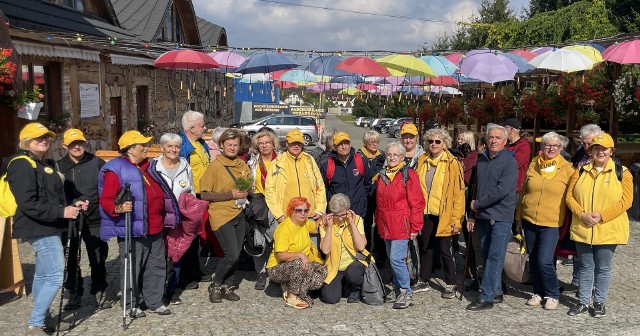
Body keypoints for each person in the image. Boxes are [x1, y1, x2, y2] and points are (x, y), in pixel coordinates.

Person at [8, 123, 89, 333]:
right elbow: (28, 203)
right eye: (38, 138)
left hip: (48, 225)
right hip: (38, 227)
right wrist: (62, 212)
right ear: (26, 141)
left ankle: (43, 319)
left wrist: (72, 205)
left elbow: (51, 197)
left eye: (46, 138)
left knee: (43, 276)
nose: (44, 141)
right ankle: (36, 323)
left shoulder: (41, 162)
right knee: (55, 275)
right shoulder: (22, 164)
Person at [99, 130, 179, 317]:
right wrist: (118, 208)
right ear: (130, 149)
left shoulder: (147, 166)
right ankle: (130, 304)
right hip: (133, 228)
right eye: (142, 146)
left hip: (155, 226)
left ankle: (154, 301)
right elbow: (107, 199)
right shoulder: (116, 169)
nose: (146, 148)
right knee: (132, 268)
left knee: (156, 265)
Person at [565, 132, 633, 317]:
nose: (600, 152)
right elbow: (569, 197)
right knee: (586, 266)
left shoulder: (623, 173)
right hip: (583, 227)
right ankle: (583, 302)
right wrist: (582, 214)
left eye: (604, 148)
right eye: (596, 148)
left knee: (603, 267)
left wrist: (601, 216)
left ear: (611, 151)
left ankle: (599, 303)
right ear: (591, 151)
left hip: (608, 228)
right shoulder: (580, 171)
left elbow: (626, 201)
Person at [515, 132, 575, 310]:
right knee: (533, 258)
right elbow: (524, 191)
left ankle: (553, 293)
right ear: (541, 148)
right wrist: (518, 217)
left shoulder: (568, 170)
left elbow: (572, 197)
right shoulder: (534, 163)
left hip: (551, 221)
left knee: (544, 260)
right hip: (529, 219)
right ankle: (538, 292)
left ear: (561, 148)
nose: (551, 148)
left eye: (555, 146)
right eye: (547, 145)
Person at [466, 123, 518, 311]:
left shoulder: (510, 162)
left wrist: (478, 204)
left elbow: (502, 190)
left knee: (495, 257)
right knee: (487, 255)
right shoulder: (482, 160)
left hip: (501, 216)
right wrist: (472, 213)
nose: (494, 140)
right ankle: (495, 291)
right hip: (483, 216)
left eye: (498, 138)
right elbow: (475, 188)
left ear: (505, 141)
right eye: (491, 137)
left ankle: (486, 296)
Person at [56, 128, 109, 311]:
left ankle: (99, 288)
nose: (77, 147)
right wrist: (74, 202)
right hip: (70, 219)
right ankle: (73, 292)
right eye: (72, 144)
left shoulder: (96, 162)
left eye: (80, 143)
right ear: (65, 146)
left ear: (85, 143)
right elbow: (57, 194)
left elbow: (107, 189)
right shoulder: (58, 166)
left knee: (98, 255)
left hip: (94, 216)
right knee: (70, 258)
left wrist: (91, 202)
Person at [200, 129, 252, 303]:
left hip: (239, 213)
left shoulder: (242, 165)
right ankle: (215, 284)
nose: (232, 147)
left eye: (235, 145)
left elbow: (250, 187)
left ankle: (227, 286)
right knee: (231, 255)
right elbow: (205, 194)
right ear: (221, 145)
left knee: (236, 253)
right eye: (228, 144)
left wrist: (246, 191)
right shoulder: (215, 166)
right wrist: (230, 195)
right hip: (221, 214)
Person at [413, 128, 465, 299]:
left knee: (445, 249)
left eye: (437, 142)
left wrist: (457, 220)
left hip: (445, 213)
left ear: (445, 144)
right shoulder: (422, 160)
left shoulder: (452, 163)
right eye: (430, 141)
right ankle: (424, 279)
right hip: (426, 212)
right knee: (426, 247)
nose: (433, 144)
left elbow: (458, 193)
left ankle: (451, 283)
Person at [374, 142, 425, 309]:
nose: (392, 157)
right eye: (389, 154)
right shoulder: (383, 174)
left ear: (403, 157)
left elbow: (417, 203)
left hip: (402, 225)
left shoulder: (408, 174)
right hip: (386, 224)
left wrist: (415, 227)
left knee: (396, 259)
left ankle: (406, 291)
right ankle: (398, 288)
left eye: (396, 155)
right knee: (393, 258)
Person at [151, 133, 195, 305]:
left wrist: (189, 210)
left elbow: (190, 190)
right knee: (158, 255)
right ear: (162, 148)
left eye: (176, 146)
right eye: (169, 146)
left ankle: (171, 290)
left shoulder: (185, 165)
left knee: (176, 255)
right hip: (159, 217)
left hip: (179, 218)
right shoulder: (153, 166)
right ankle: (156, 291)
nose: (173, 150)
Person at [266, 197, 327, 309]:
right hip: (277, 267)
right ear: (291, 211)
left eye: (306, 210)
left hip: (298, 264)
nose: (303, 213)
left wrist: (324, 216)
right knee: (299, 262)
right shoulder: (284, 228)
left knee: (320, 277)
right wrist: (300, 255)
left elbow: (316, 228)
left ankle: (291, 284)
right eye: (299, 210)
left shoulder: (305, 223)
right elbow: (281, 255)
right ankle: (292, 297)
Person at [565, 124, 603, 286]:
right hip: (579, 208)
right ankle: (577, 279)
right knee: (578, 248)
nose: (587, 147)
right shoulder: (580, 153)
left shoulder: (607, 159)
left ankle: (591, 284)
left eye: (589, 143)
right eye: (584, 143)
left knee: (595, 253)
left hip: (597, 211)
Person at [177, 110, 211, 290]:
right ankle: (185, 275)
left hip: (201, 196)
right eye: (202, 125)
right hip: (189, 196)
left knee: (197, 236)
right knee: (187, 237)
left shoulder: (200, 143)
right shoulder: (182, 145)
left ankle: (195, 270)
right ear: (191, 128)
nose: (205, 128)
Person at [265, 129, 327, 224]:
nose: (296, 145)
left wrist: (320, 209)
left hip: (309, 216)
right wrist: (279, 215)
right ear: (287, 144)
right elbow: (270, 191)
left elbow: (320, 187)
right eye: (293, 143)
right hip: (287, 217)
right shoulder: (277, 163)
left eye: (299, 143)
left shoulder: (309, 160)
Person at [319, 194, 368, 304]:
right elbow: (325, 250)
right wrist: (329, 227)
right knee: (329, 298)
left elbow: (361, 246)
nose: (340, 218)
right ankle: (346, 286)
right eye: (337, 215)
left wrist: (352, 224)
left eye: (343, 214)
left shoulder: (357, 219)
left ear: (348, 210)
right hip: (335, 266)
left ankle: (357, 288)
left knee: (353, 272)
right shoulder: (325, 224)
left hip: (355, 262)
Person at [246, 129, 279, 290]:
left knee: (276, 240)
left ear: (273, 144)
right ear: (257, 146)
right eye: (261, 143)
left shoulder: (281, 160)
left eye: (267, 142)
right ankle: (260, 272)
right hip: (258, 204)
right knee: (259, 241)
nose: (264, 146)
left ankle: (274, 271)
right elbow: (247, 182)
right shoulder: (252, 161)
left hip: (277, 205)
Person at [319, 132, 371, 218]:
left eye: (346, 143)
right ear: (334, 147)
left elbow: (367, 185)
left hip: (358, 213)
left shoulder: (361, 160)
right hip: (337, 215)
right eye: (340, 144)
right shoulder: (326, 165)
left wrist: (361, 200)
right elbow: (324, 190)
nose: (344, 147)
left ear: (350, 144)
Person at [357, 130, 386, 262]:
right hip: (364, 195)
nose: (375, 145)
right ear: (365, 143)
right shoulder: (358, 156)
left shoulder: (383, 156)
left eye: (377, 142)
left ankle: (380, 252)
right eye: (371, 142)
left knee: (380, 223)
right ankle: (366, 251)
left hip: (379, 195)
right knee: (365, 224)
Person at [502, 118, 531, 195]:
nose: (502, 131)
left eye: (504, 128)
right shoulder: (505, 144)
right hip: (502, 185)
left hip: (515, 188)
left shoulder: (524, 146)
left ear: (511, 130)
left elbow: (515, 164)